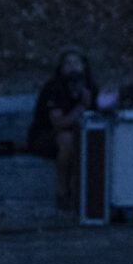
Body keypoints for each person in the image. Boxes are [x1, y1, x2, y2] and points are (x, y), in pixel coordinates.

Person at [27, 46, 99, 211]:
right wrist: (81, 107)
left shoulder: (91, 88)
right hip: (45, 137)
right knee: (68, 139)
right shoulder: (53, 89)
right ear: (61, 67)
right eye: (68, 63)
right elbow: (59, 124)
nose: (73, 67)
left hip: (81, 136)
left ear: (84, 66)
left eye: (76, 62)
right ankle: (63, 191)